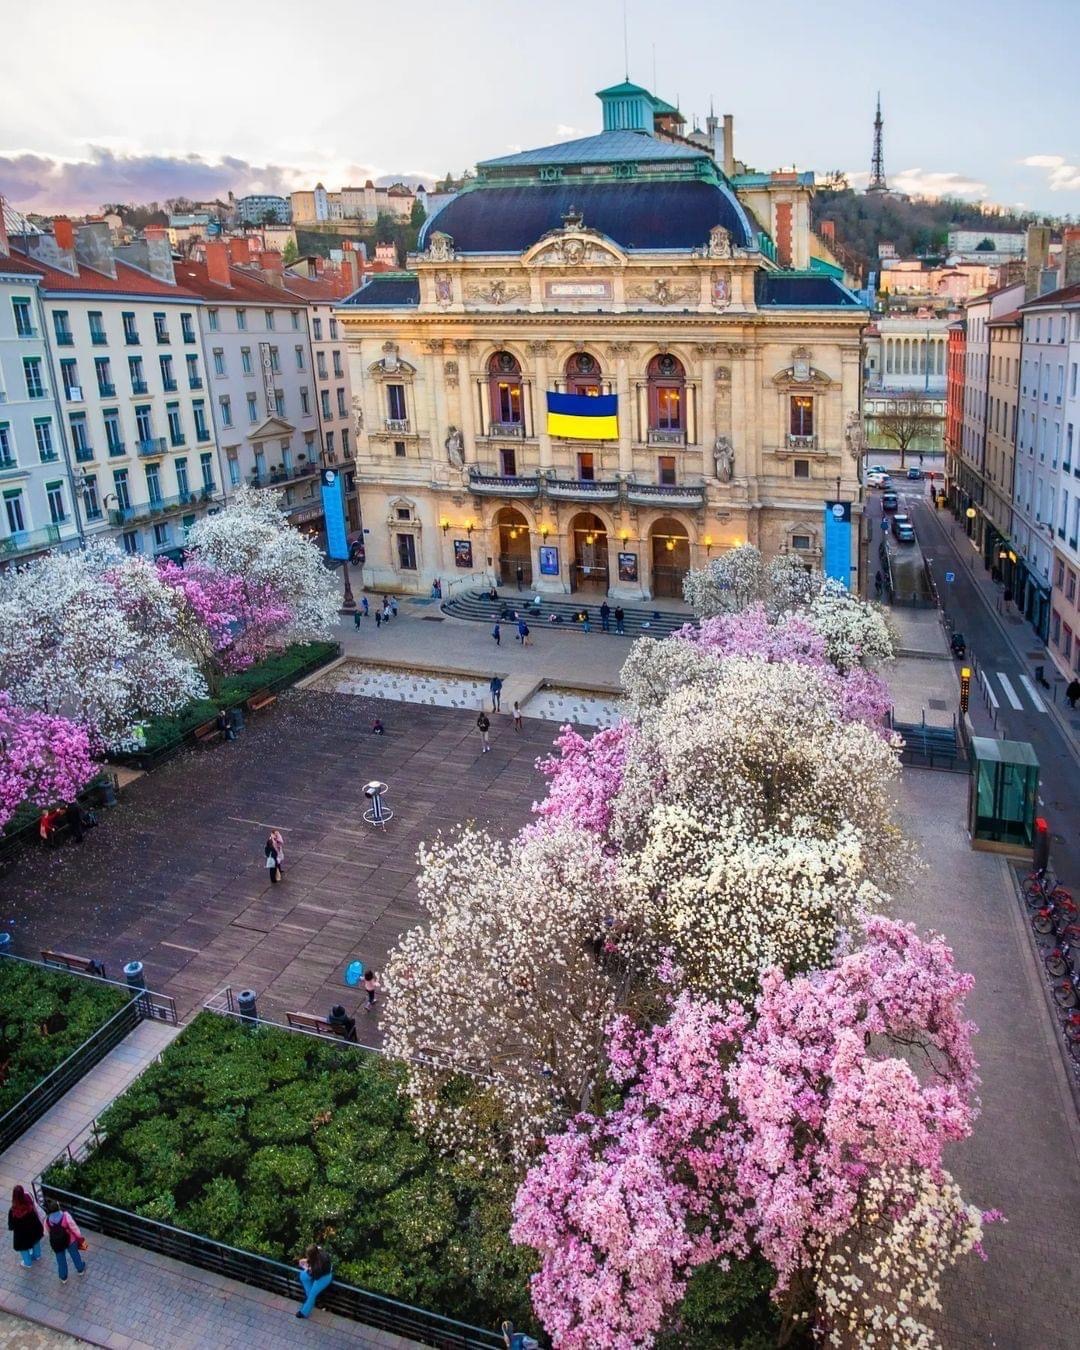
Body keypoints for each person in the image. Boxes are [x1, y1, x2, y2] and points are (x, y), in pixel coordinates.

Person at [44, 1201, 85, 1283]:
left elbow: (46, 1232)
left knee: (60, 1259)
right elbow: (73, 1227)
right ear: (58, 1207)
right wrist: (79, 1236)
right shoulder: (66, 1216)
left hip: (57, 1243)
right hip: (70, 1240)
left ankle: (63, 1277)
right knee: (74, 1254)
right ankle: (80, 1269)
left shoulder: (47, 1220)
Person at [8, 1185, 44, 1268]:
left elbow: (11, 1226)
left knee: (23, 1248)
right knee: (35, 1241)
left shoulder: (13, 1210)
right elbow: (34, 1216)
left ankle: (27, 1263)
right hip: (33, 1229)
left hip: (21, 1234)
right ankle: (37, 1255)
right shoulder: (28, 1205)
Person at [296, 1244, 333, 1319]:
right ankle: (310, 1300)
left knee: (312, 1294)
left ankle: (304, 1312)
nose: (306, 1256)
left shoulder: (317, 1266)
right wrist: (306, 1261)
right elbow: (315, 1260)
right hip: (322, 1271)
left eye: (308, 1255)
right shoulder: (319, 1250)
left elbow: (316, 1276)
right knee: (303, 1276)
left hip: (324, 1277)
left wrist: (307, 1269)